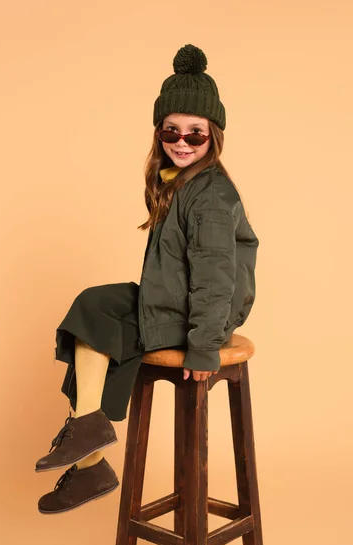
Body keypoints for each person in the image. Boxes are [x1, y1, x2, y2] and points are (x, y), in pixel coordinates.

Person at [35, 43, 259, 514]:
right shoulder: (177, 180)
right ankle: (90, 434)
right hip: (175, 301)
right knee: (92, 307)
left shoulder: (212, 197)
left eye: (194, 135)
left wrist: (203, 347)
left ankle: (91, 454)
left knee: (110, 330)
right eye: (170, 131)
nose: (181, 142)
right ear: (158, 133)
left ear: (214, 136)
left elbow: (216, 280)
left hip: (203, 317)